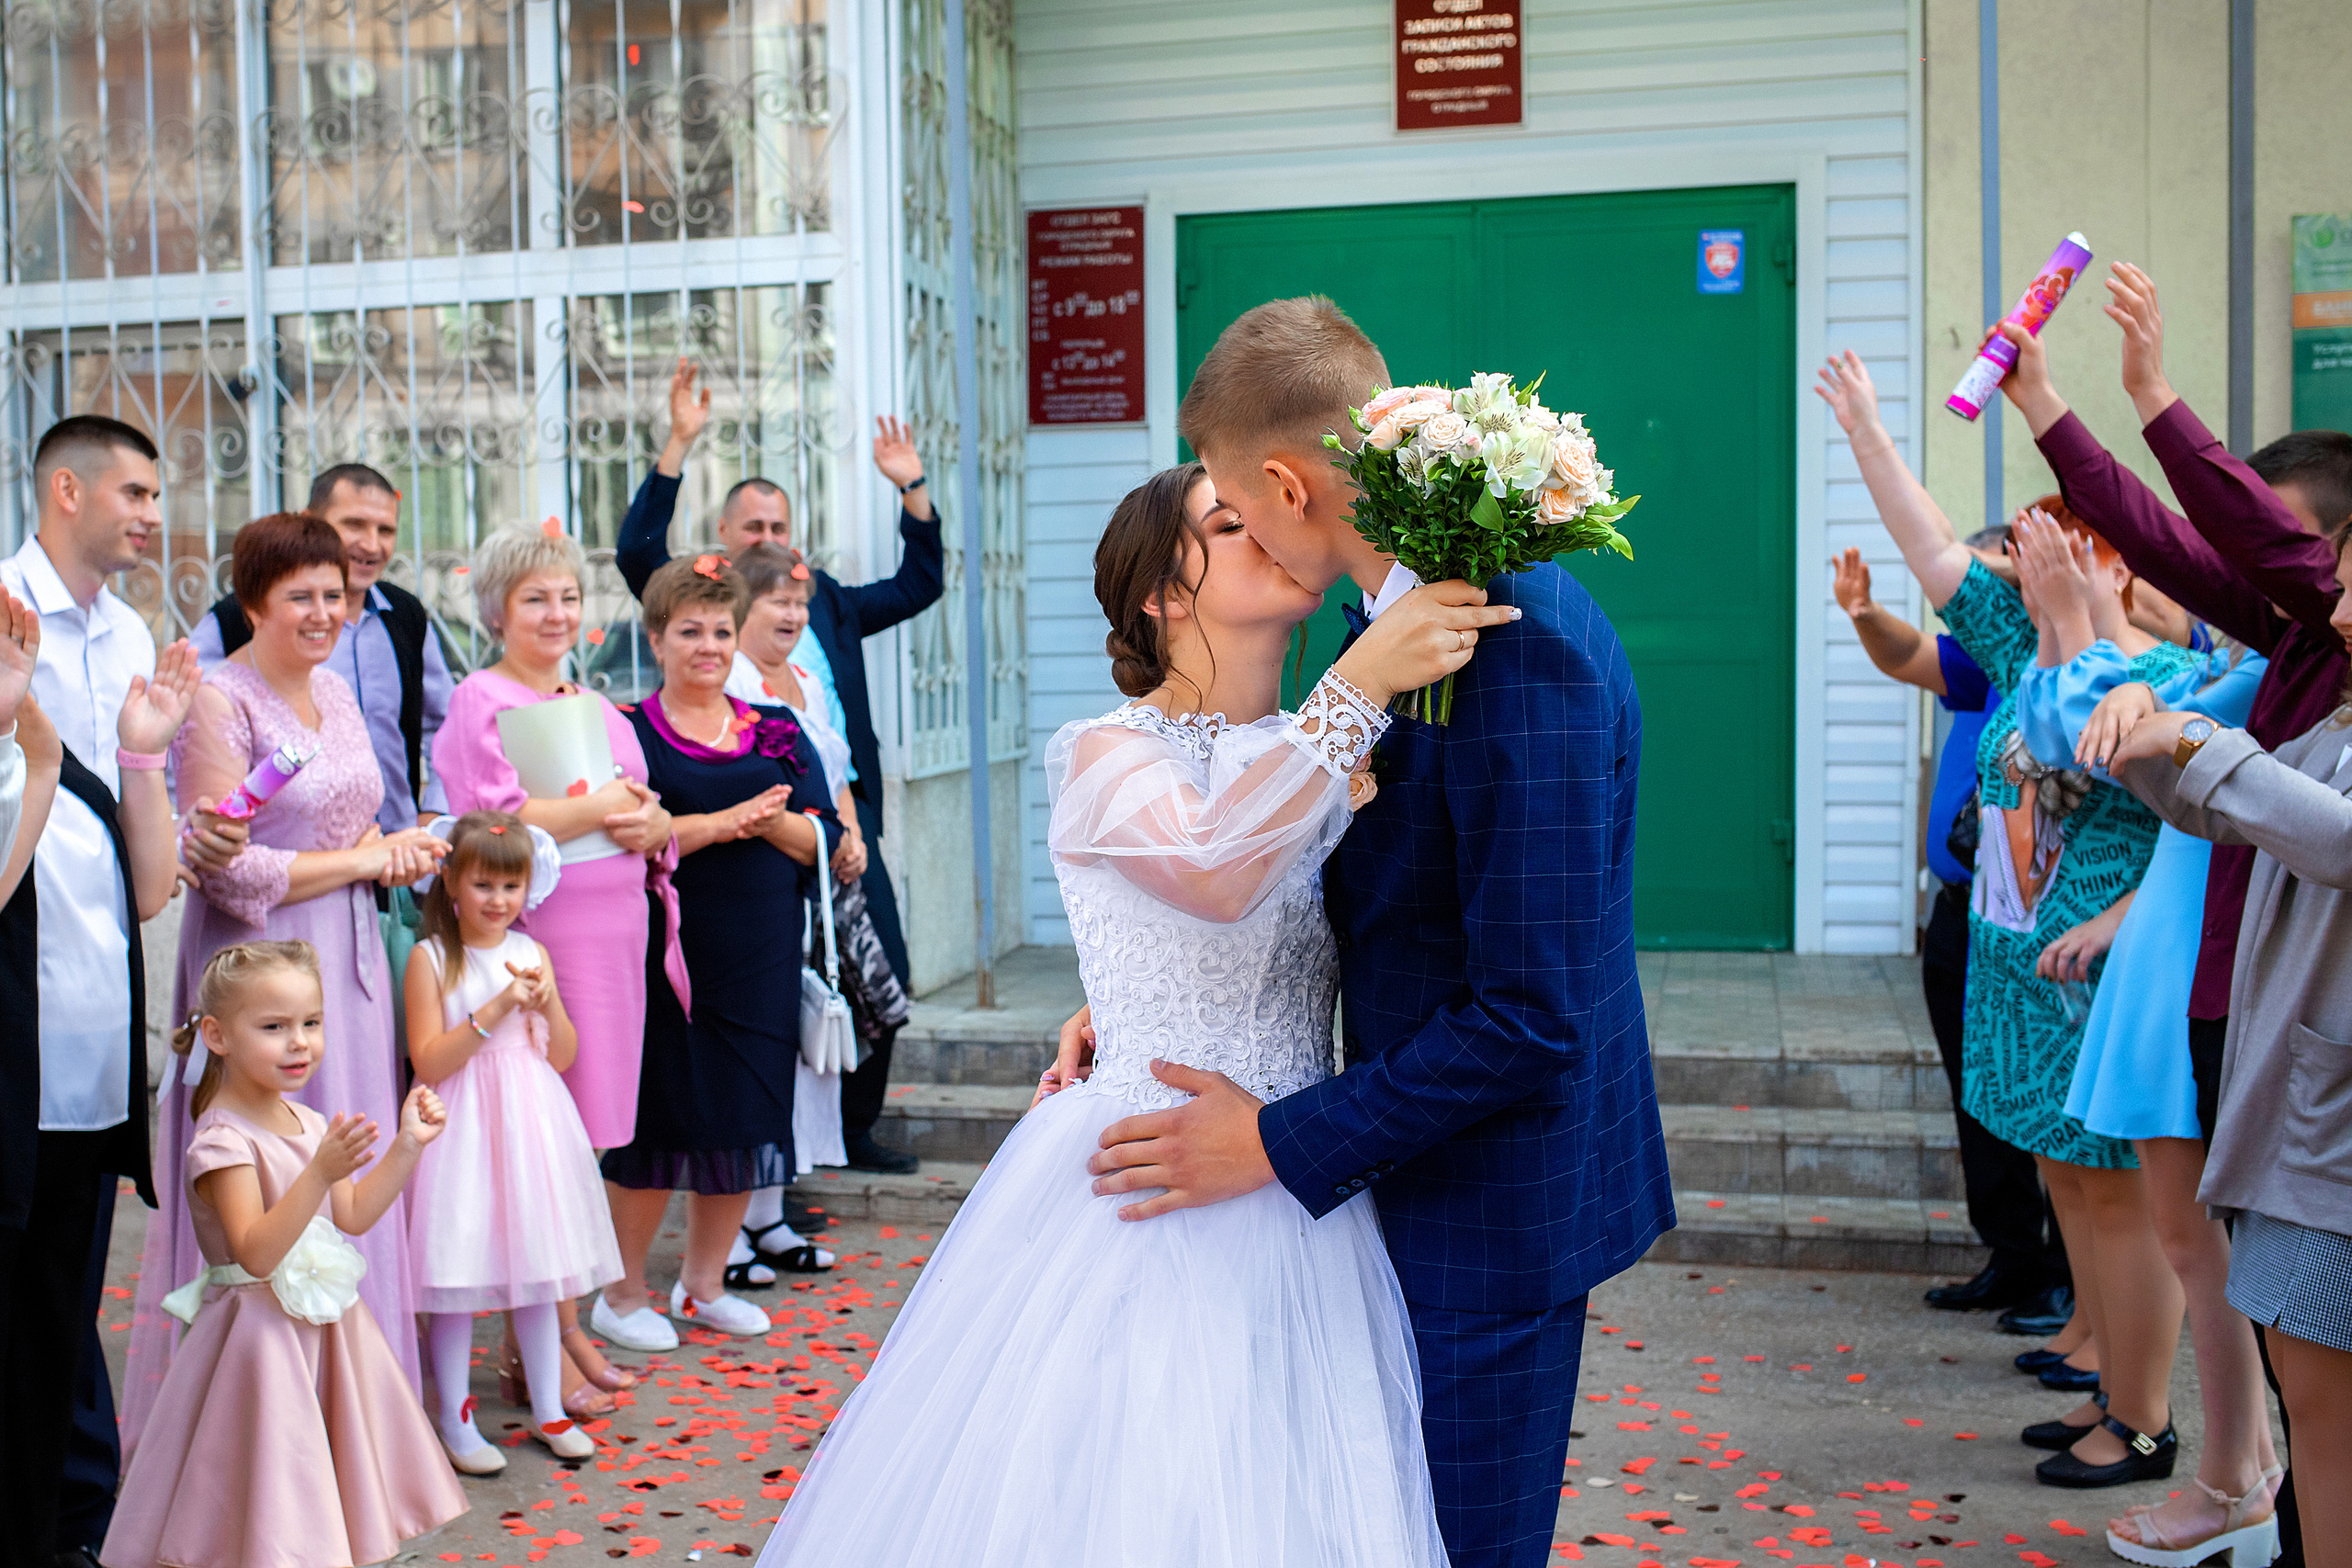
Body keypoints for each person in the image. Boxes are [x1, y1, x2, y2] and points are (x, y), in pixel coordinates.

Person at [758, 460, 1510, 1564]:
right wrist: (1360, 684)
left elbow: (1283, 924)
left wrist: (1113, 991)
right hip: (1143, 1188)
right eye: (1227, 520)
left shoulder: (1322, 746)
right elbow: (1213, 871)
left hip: (1292, 1176)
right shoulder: (1108, 750)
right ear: (1162, 593)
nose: (1264, 526)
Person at [1070, 297, 1674, 1568]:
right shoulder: (1389, 626)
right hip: (1392, 1187)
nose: (1238, 531)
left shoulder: (1517, 644)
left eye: (1235, 506)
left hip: (1488, 1215)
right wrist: (1143, 993)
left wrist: (1273, 1141)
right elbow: (1363, 890)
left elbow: (1532, 1017)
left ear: (1286, 484)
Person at [1995, 260, 2352, 1558]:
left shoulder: (2304, 639)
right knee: (2276, 1322)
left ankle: (2240, 1473)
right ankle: (2249, 1477)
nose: (2294, 565)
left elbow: (2211, 537)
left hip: (2297, 1026)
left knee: (2296, 1339)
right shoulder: (2306, 640)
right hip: (2243, 993)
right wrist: (2053, 407)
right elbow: (2171, 537)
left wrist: (2151, 393)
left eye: (2308, 543)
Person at [1819, 352, 2198, 1491]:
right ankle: (2108, 1386)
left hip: (2095, 974)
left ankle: (2142, 1418)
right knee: (2068, 1182)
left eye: (2050, 549)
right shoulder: (2012, 648)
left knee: (2116, 1191)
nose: (2020, 566)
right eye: (2023, 552)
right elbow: (1933, 549)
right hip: (2012, 966)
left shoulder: (2166, 678)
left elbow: (2194, 835)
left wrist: (2082, 616)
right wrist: (1868, 435)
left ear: (2111, 564)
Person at [126, 513, 446, 1451]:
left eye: (335, 595)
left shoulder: (336, 696)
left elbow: (355, 828)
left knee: (349, 1149)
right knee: (267, 1168)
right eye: (299, 594)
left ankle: (359, 1409)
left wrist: (387, 854)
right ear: (254, 600)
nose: (321, 613)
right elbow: (231, 869)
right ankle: (260, 1423)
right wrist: (362, 860)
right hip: (259, 964)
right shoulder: (222, 701)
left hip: (346, 964)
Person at [616, 361, 940, 1175]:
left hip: (841, 823)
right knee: (783, 997)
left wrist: (913, 489)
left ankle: (853, 1133)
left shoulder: (820, 595)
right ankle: (777, 1168)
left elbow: (918, 584)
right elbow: (637, 554)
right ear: (725, 538)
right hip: (756, 837)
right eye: (751, 526)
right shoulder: (713, 606)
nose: (768, 540)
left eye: (778, 525)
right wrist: (678, 444)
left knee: (880, 979)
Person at [2098, 557, 2352, 1568]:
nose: (2333, 609)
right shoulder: (2335, 720)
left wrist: (2201, 738)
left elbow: (2331, 836)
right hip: (2303, 1117)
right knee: (2313, 1405)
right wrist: (2143, 727)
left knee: (2325, 1413)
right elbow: (2232, 800)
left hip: (2328, 1136)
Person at [2019, 606, 2282, 1562]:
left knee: (2192, 1242)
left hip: (2186, 961)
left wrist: (2081, 634)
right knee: (2190, 1241)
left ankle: (2231, 1480)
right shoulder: (2235, 666)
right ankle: (2245, 1468)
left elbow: (2126, 752)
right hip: (2163, 953)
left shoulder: (2266, 676)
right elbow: (2060, 738)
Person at [101, 940, 468, 1568]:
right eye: (274, 1026)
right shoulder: (221, 1139)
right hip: (257, 1341)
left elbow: (350, 1214)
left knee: (315, 1487)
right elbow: (256, 1252)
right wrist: (320, 1172)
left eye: (311, 1022)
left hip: (322, 1333)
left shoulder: (306, 1119)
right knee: (267, 1488)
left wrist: (408, 1144)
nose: (299, 1041)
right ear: (216, 1034)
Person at [0, 415, 196, 1568]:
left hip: (97, 1025)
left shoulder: (130, 636)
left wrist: (145, 758)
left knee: (65, 1304)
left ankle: (71, 1523)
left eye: (157, 494)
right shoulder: (1, 612)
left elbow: (146, 873)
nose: (151, 514)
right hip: (11, 1010)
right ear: (62, 490)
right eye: (132, 491)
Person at [596, 557, 841, 1345]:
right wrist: (737, 816)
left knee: (743, 1115)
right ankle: (622, 1292)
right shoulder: (629, 732)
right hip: (664, 955)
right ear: (657, 638)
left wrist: (770, 824)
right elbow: (626, 836)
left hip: (762, 951)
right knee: (656, 1120)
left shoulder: (774, 727)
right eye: (689, 630)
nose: (707, 645)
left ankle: (701, 1286)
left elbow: (821, 837)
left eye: (720, 631)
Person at [1833, 539, 2075, 1331]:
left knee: (2044, 1093)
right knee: (1979, 1086)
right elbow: (1906, 655)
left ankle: (2071, 1279)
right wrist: (1865, 613)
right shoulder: (1986, 661)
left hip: (2037, 922)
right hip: (1962, 907)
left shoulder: (2071, 670)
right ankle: (2014, 1255)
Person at [404, 809, 620, 1470]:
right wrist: (495, 1008)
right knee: (458, 1264)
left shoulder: (532, 952)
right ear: (449, 881)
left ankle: (550, 1405)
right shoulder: (431, 958)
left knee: (534, 1263)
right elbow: (429, 1059)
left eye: (511, 887)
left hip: (530, 1116)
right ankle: (455, 1415)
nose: (498, 901)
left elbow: (562, 1055)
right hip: (461, 1120)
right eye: (483, 885)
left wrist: (547, 1003)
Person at [724, 542, 910, 1284]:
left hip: (825, 880)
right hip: (765, 877)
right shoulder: (732, 679)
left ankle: (768, 1213)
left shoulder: (803, 677)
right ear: (742, 606)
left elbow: (834, 771)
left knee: (807, 1045)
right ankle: (730, 1226)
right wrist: (811, 835)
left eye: (800, 605)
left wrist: (852, 833)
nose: (793, 617)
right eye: (778, 602)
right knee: (758, 1044)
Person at [190, 464, 454, 834]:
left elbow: (444, 724)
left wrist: (434, 811)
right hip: (284, 857)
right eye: (354, 525)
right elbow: (192, 728)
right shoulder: (239, 617)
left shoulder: (407, 616)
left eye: (386, 530)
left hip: (397, 853)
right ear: (310, 522)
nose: (372, 545)